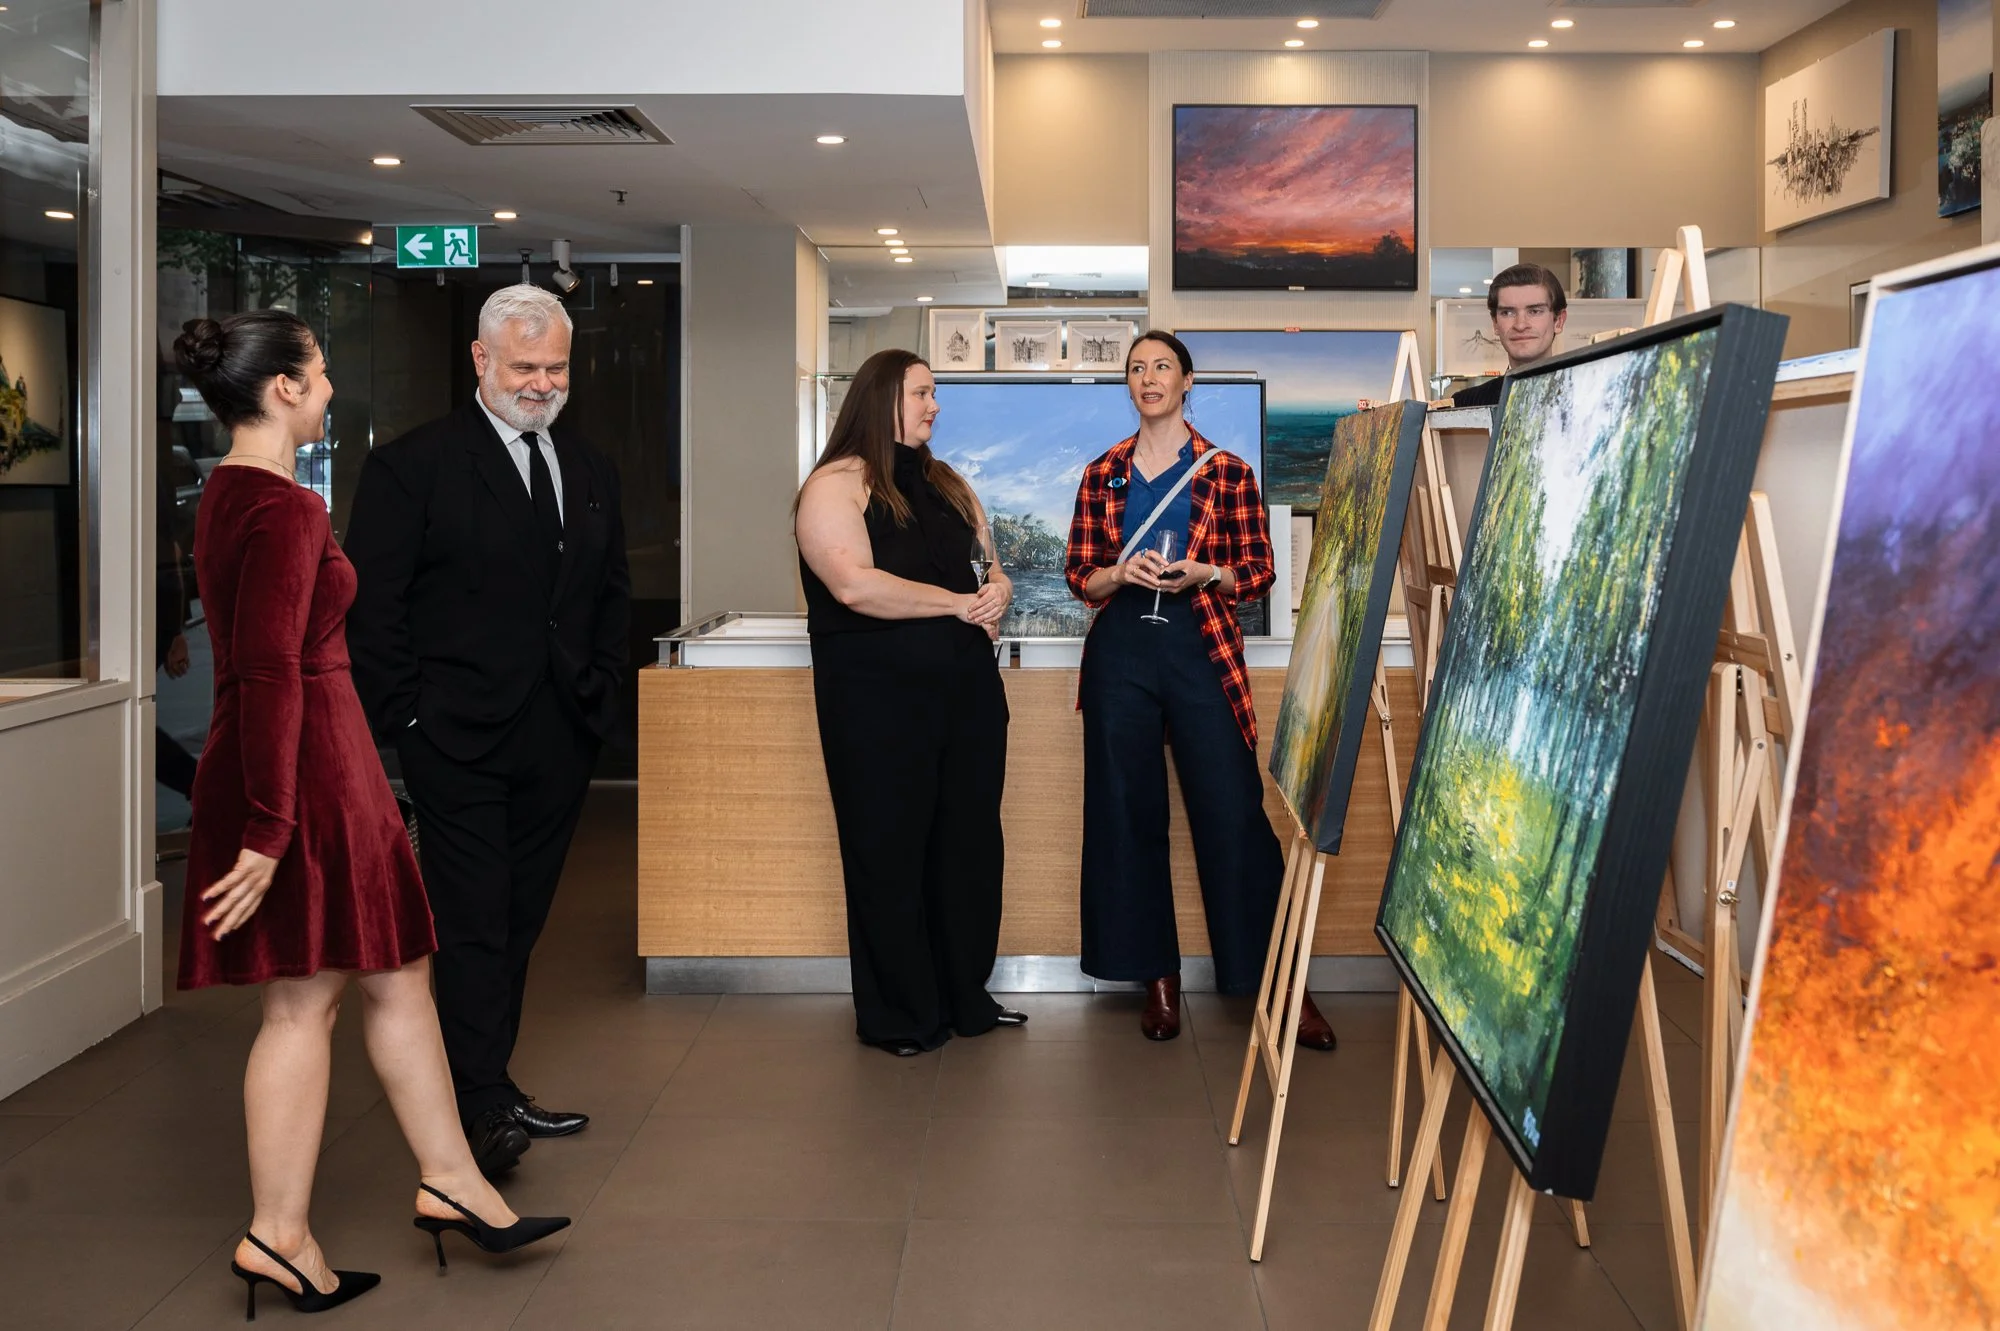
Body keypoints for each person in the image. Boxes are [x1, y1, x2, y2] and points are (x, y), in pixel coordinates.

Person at [173, 311, 567, 1319]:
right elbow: (264, 671)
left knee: (399, 975)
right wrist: (267, 826)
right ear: (285, 390)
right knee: (303, 1004)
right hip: (305, 775)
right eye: (323, 370)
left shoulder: (229, 493)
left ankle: (451, 1177)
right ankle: (277, 1234)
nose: (334, 385)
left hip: (325, 765)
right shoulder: (283, 509)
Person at [345, 285, 630, 1176]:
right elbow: (373, 611)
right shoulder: (413, 466)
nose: (542, 384)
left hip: (559, 733)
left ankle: (489, 1080)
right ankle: (474, 1107)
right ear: (479, 361)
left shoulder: (587, 468)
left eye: (556, 368)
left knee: (519, 919)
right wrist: (410, 720)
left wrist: (601, 694)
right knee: (470, 920)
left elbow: (607, 594)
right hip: (455, 736)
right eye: (524, 367)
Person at [1065, 331, 1338, 1048]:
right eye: (1136, 368)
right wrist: (1120, 574)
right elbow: (1080, 576)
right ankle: (1154, 977)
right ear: (1129, 385)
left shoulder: (1228, 472)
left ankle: (1280, 984)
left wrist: (1205, 573)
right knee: (1126, 816)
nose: (1148, 377)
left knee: (1234, 817)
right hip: (1122, 651)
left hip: (1201, 648)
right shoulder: (1102, 474)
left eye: (1162, 367)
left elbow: (1258, 568)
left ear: (1187, 382)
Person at [794, 348, 1026, 1056]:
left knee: (968, 849)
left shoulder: (949, 482)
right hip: (877, 707)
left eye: (935, 393)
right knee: (888, 851)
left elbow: (990, 565)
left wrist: (999, 590)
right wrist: (961, 604)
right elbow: (855, 587)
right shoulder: (835, 485)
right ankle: (900, 1013)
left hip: (967, 697)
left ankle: (965, 997)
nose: (935, 405)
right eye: (924, 392)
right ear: (883, 396)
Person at [1450, 263, 1570, 407]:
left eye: (1534, 311)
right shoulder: (1465, 404)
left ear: (1558, 321)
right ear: (1495, 323)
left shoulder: (1589, 400)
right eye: (1507, 313)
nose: (1520, 325)